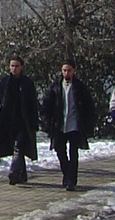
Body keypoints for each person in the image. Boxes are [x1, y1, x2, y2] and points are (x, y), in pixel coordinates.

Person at [40, 60, 97, 189]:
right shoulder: (55, 87)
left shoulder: (79, 87)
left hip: (74, 125)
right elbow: (47, 105)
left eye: (69, 70)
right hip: (59, 124)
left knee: (73, 152)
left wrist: (88, 124)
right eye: (64, 70)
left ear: (74, 71)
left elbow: (88, 106)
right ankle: (67, 173)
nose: (66, 73)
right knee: (60, 151)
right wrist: (47, 122)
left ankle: (72, 180)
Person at [0, 56, 39, 183]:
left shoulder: (27, 83)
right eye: (12, 66)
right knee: (16, 148)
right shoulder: (4, 83)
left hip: (23, 121)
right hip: (7, 121)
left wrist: (34, 121)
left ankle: (13, 172)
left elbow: (32, 103)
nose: (14, 69)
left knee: (19, 146)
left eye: (17, 66)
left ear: (22, 67)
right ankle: (22, 174)